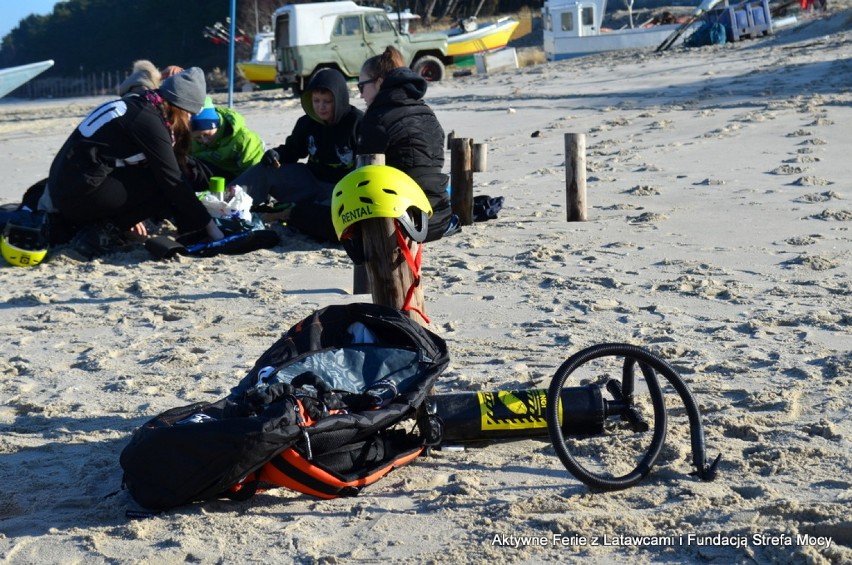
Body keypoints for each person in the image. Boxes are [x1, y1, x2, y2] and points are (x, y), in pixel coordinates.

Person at [41, 67, 224, 259]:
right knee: (166, 183)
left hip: (65, 187)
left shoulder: (141, 103)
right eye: (188, 113)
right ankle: (100, 233)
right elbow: (172, 179)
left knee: (160, 175)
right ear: (179, 105)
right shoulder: (148, 121)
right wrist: (212, 229)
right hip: (75, 196)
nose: (188, 119)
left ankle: (105, 225)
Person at [230, 67, 362, 241]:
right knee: (265, 170)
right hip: (310, 181)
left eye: (327, 101)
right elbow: (293, 151)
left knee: (328, 221)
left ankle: (292, 214)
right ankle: (225, 204)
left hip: (341, 190)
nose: (320, 107)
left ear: (339, 100)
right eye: (316, 101)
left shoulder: (357, 122)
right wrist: (276, 154)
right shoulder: (307, 122)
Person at [357, 46, 457, 242]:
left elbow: (363, 175)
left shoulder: (377, 117)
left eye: (361, 87)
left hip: (405, 221)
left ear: (378, 82)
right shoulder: (425, 110)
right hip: (440, 215)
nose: (361, 95)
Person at [190, 96, 265, 182]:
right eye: (198, 137)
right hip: (209, 178)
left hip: (239, 181)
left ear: (217, 125)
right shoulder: (190, 141)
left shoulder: (244, 139)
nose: (204, 140)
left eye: (207, 134)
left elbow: (255, 172)